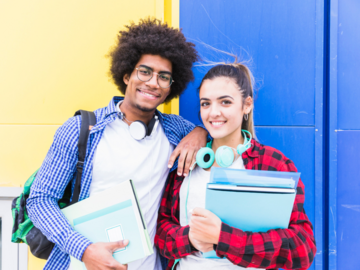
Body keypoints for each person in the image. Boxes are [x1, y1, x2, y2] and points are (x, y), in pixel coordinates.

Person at [27, 18, 208, 270]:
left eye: (164, 77)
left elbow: (222, 135)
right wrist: (85, 250)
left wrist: (200, 131)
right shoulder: (82, 130)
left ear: (170, 88)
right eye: (144, 71)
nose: (153, 82)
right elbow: (40, 200)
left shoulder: (175, 131)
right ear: (126, 75)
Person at [155, 61, 317, 270]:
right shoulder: (188, 161)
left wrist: (223, 237)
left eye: (225, 102)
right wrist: (191, 239)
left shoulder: (273, 164)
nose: (213, 113)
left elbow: (302, 249)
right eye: (206, 103)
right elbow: (161, 234)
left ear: (247, 105)